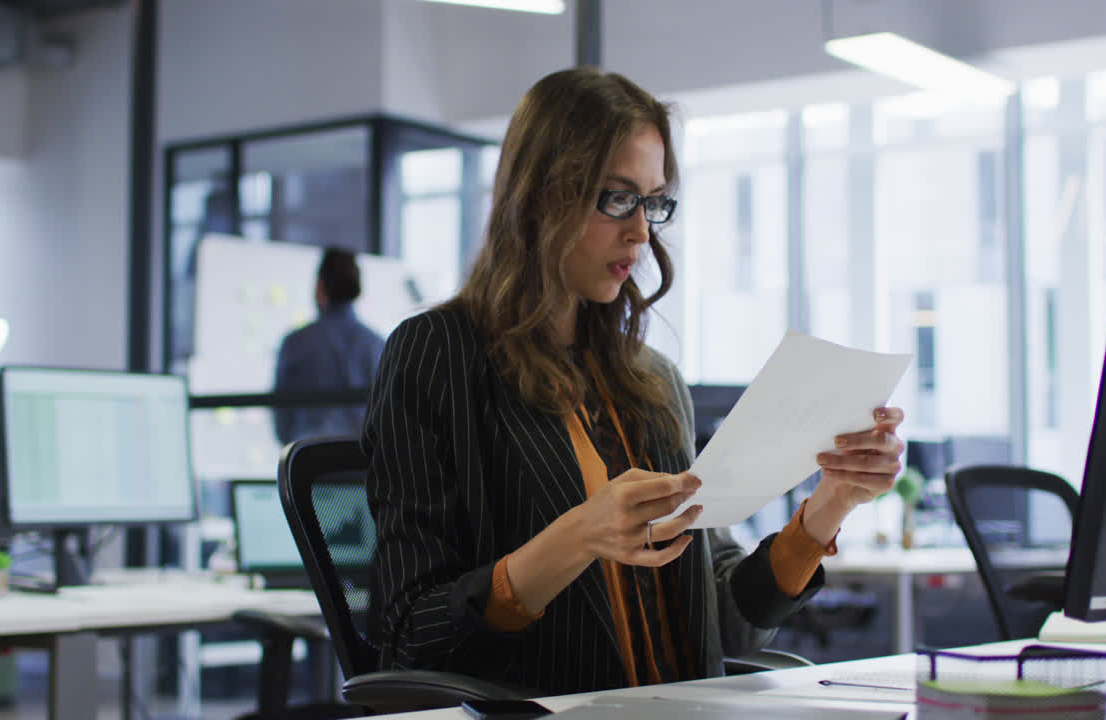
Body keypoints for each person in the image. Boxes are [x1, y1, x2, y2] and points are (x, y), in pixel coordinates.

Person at [360, 67, 905, 696]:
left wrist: (828, 506)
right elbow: (410, 637)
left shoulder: (651, 381)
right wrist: (577, 536)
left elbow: (725, 622)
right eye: (617, 199)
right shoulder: (438, 353)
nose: (642, 231)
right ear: (541, 196)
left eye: (652, 202)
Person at [273, 247, 385, 445]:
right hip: (361, 456)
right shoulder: (377, 344)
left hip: (308, 453)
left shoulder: (295, 342)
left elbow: (282, 420)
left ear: (320, 286)